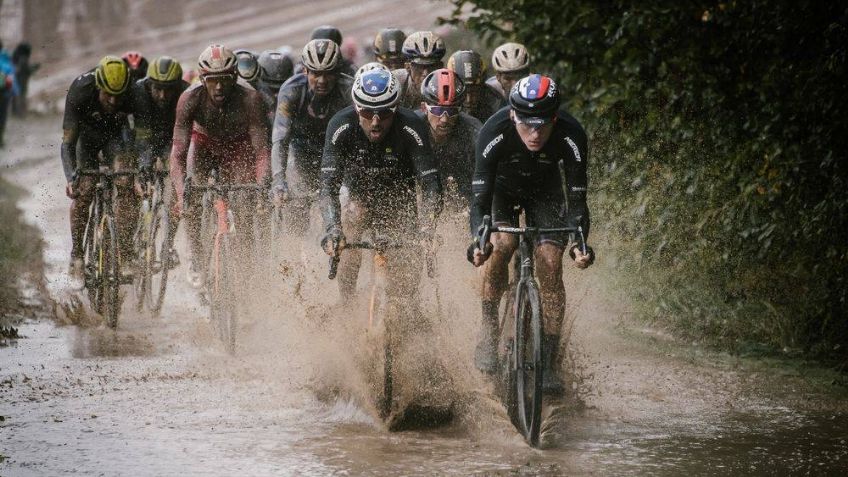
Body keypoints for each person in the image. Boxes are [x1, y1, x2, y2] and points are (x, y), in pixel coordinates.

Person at [467, 74, 594, 395]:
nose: (534, 134)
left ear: (555, 118)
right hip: (501, 192)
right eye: (526, 124)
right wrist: (478, 241)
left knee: (550, 262)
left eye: (542, 125)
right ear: (512, 115)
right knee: (501, 244)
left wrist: (580, 244)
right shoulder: (493, 132)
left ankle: (548, 360)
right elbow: (479, 200)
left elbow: (578, 200)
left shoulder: (572, 134)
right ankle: (489, 329)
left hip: (546, 193)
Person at [319, 69, 441, 301]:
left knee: (409, 258)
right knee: (349, 231)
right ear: (356, 108)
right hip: (358, 195)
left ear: (395, 109)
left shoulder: (412, 125)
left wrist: (427, 228)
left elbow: (430, 184)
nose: (375, 122)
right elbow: (328, 186)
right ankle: (347, 301)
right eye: (366, 112)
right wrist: (333, 228)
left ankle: (407, 306)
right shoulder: (340, 125)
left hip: (399, 198)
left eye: (384, 113)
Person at [169, 45, 271, 288]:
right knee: (192, 203)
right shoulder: (189, 98)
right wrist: (182, 195)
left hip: (238, 148)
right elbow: (177, 155)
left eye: (224, 80)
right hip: (204, 147)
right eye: (212, 81)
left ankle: (245, 263)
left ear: (235, 77)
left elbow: (261, 152)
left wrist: (261, 187)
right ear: (202, 79)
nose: (219, 87)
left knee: (246, 204)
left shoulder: (251, 98)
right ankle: (196, 254)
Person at [61, 56, 136, 281]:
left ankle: (125, 251)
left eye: (118, 96)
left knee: (125, 184)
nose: (113, 101)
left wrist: (138, 173)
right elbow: (67, 144)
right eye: (107, 95)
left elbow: (138, 136)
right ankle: (77, 255)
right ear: (98, 87)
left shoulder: (133, 91)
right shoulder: (80, 90)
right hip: (87, 139)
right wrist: (71, 177)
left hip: (116, 138)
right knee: (85, 190)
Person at [270, 38, 352, 235]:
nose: (322, 81)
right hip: (302, 152)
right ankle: (296, 257)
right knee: (295, 210)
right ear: (305, 70)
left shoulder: (348, 89)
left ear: (337, 72)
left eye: (328, 74)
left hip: (339, 153)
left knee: (347, 206)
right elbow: (280, 138)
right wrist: (279, 180)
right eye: (316, 73)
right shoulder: (292, 90)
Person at [131, 56, 190, 265]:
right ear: (149, 84)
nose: (163, 95)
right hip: (143, 136)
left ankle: (168, 244)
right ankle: (132, 239)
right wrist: (143, 167)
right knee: (134, 182)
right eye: (158, 89)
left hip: (171, 140)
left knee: (177, 189)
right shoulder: (139, 91)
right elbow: (141, 139)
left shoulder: (186, 91)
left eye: (168, 89)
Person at [415, 68, 481, 208]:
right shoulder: (412, 126)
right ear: (424, 108)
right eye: (437, 111)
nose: (444, 119)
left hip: (461, 182)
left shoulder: (473, 131)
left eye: (451, 111)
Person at [394, 31, 446, 109]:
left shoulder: (449, 86)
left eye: (431, 66)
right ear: (407, 67)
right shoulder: (395, 83)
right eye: (419, 67)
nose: (426, 73)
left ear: (440, 67)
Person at [447, 50, 501, 123]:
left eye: (474, 92)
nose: (469, 100)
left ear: (482, 88)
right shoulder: (442, 102)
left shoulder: (496, 102)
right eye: (463, 92)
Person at [11, 42, 39, 117]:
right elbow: (27, 70)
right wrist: (35, 67)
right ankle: (21, 114)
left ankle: (15, 113)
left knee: (16, 96)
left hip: (17, 79)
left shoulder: (16, 56)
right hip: (22, 80)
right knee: (21, 96)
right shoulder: (23, 58)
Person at [0, 41, 16, 147]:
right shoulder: (6, 57)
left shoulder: (5, 57)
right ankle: (1, 139)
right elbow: (11, 73)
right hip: (5, 92)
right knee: (2, 115)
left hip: (4, 91)